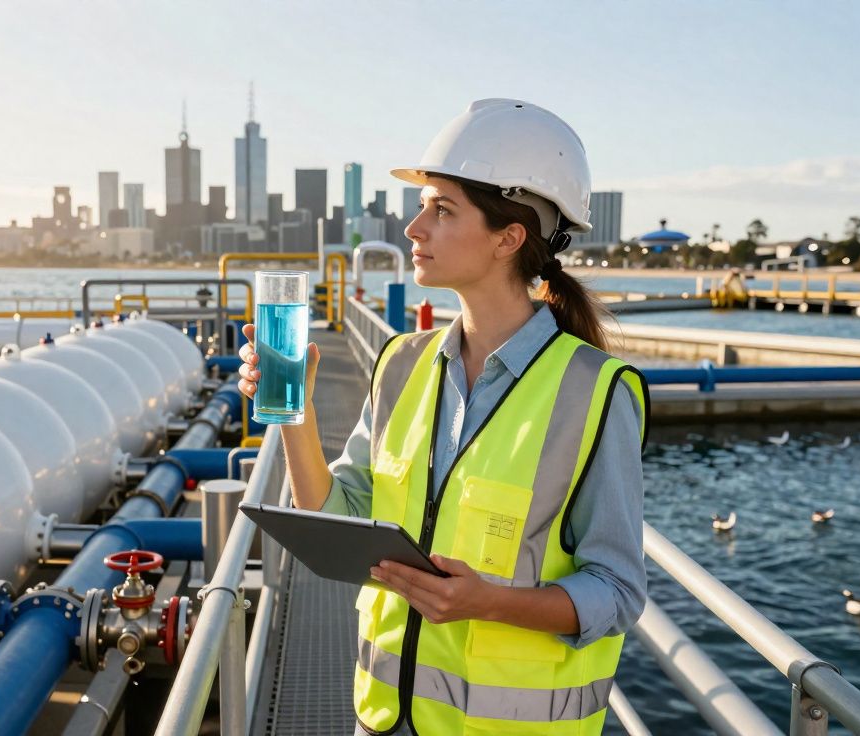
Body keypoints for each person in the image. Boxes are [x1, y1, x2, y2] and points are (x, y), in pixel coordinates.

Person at [237, 99, 648, 736]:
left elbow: (617, 592)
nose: (414, 228)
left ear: (509, 238)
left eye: (442, 209)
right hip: (381, 720)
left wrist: (491, 602)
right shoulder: (401, 361)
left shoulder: (595, 391)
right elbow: (337, 512)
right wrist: (295, 412)